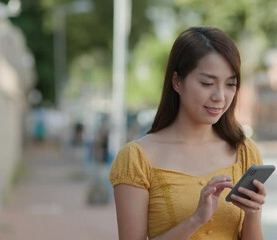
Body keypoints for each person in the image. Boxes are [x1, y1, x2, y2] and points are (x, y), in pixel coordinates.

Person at [109, 26, 267, 240]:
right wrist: (196, 219)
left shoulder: (245, 151)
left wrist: (253, 213)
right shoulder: (136, 158)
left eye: (230, 84)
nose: (220, 96)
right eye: (207, 83)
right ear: (177, 81)